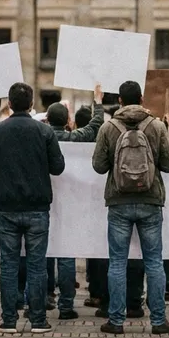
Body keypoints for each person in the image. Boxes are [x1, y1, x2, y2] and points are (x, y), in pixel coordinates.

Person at [92, 80, 169, 335]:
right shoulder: (157, 125)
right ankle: (159, 321)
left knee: (117, 262)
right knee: (154, 261)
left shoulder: (108, 127)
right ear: (141, 98)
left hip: (118, 201)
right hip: (151, 200)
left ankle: (116, 321)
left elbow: (98, 165)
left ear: (119, 100)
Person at [0, 82, 65, 335]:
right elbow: (58, 167)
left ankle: (8, 320)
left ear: (9, 102)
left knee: (8, 264)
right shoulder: (44, 131)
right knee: (37, 265)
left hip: (7, 207)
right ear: (30, 104)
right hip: (38, 206)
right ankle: (38, 320)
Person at [46, 84, 105, 320]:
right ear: (68, 120)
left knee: (42, 252)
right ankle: (67, 305)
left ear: (48, 119)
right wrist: (97, 102)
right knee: (66, 253)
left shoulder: (41, 136)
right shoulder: (73, 137)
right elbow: (94, 127)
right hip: (70, 203)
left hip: (45, 203)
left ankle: (41, 299)